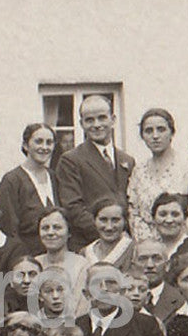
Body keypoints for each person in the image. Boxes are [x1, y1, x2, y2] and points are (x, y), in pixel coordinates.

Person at [56, 94, 135, 249]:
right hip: (90, 245)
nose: (96, 124)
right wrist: (110, 234)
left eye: (102, 118)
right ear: (81, 124)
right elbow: (73, 208)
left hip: (125, 244)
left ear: (113, 120)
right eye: (89, 120)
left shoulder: (127, 160)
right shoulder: (71, 160)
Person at [127, 108, 188, 244]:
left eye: (161, 129)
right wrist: (148, 244)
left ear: (172, 132)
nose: (155, 136)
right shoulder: (139, 170)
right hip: (148, 247)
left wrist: (184, 244)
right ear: (142, 136)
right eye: (148, 131)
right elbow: (134, 212)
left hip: (182, 241)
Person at [0, 123, 59, 254]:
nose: (44, 147)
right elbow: (9, 228)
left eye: (49, 142)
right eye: (38, 142)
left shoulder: (54, 177)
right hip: (25, 258)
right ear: (25, 145)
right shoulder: (12, 181)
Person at [82, 197, 134, 269]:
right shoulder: (85, 253)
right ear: (94, 220)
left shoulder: (134, 251)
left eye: (115, 220)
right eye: (103, 220)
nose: (109, 227)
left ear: (125, 221)